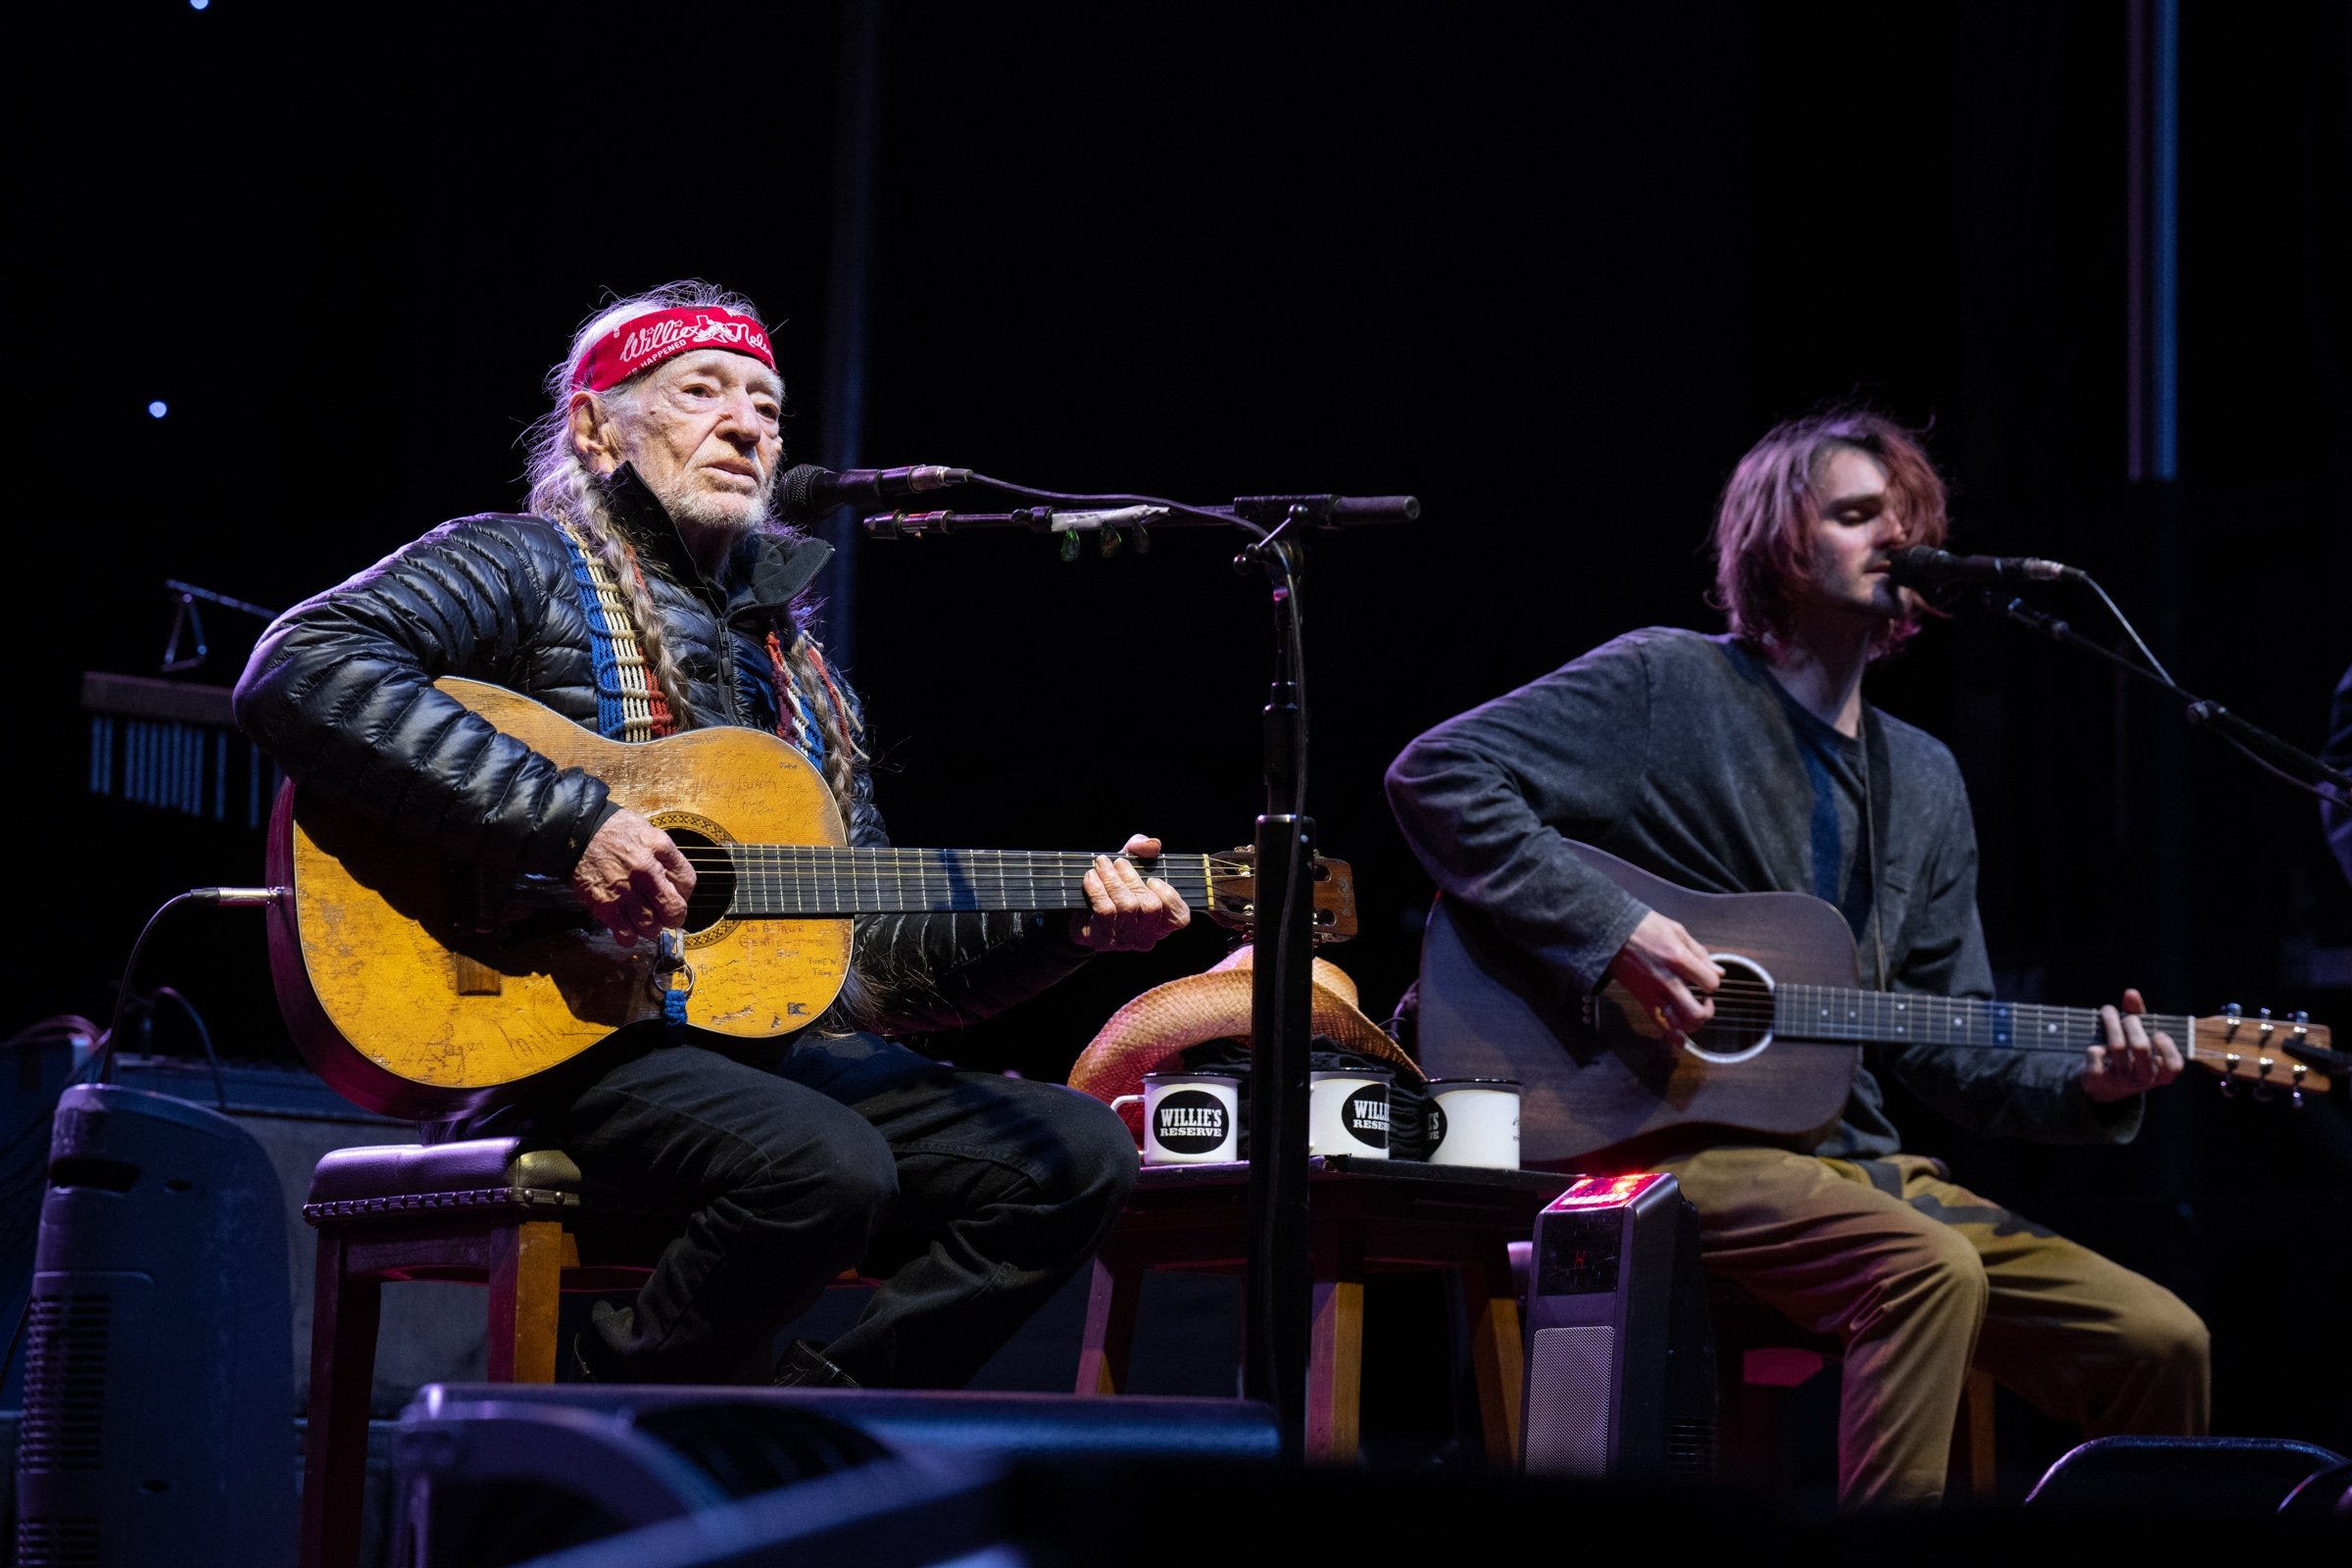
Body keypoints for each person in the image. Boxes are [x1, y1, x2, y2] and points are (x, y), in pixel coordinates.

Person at [236, 280, 1188, 1390]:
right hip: (566, 1037)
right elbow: (302, 665)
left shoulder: (808, 678)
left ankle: (805, 1433)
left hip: (766, 1058)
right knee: (825, 1167)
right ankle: (588, 1427)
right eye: (703, 391)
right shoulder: (520, 564)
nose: (747, 424)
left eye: (769, 408)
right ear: (596, 429)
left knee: (1074, 1153)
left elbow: (870, 961)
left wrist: (1066, 929)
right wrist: (570, 822)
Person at [1385, 409, 2209, 1509]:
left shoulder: (1924, 779)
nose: (1898, 538)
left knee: (2163, 1339)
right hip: (1667, 1138)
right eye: (1860, 514)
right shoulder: (1667, 687)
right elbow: (1436, 776)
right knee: (1925, 1269)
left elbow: (1945, 1034)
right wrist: (1615, 933)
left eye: (1910, 520)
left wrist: (2093, 1083)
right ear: (1779, 539)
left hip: (1857, 1164)